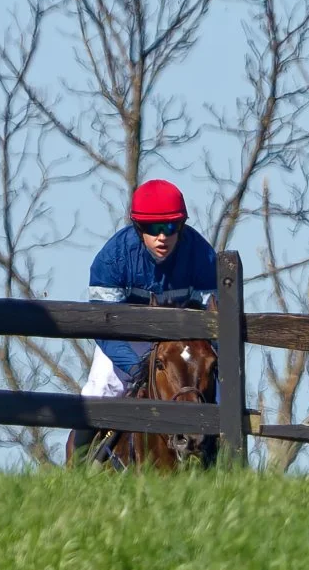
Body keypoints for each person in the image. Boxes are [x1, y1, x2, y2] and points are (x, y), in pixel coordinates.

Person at [69, 179, 218, 460]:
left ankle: (227, 467)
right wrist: (134, 364)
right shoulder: (113, 258)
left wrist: (211, 360)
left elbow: (214, 323)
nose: (162, 237)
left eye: (171, 228)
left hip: (181, 343)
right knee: (101, 389)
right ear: (139, 229)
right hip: (127, 338)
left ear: (182, 227)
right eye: (153, 229)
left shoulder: (203, 257)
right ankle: (79, 466)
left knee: (220, 396)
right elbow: (104, 325)